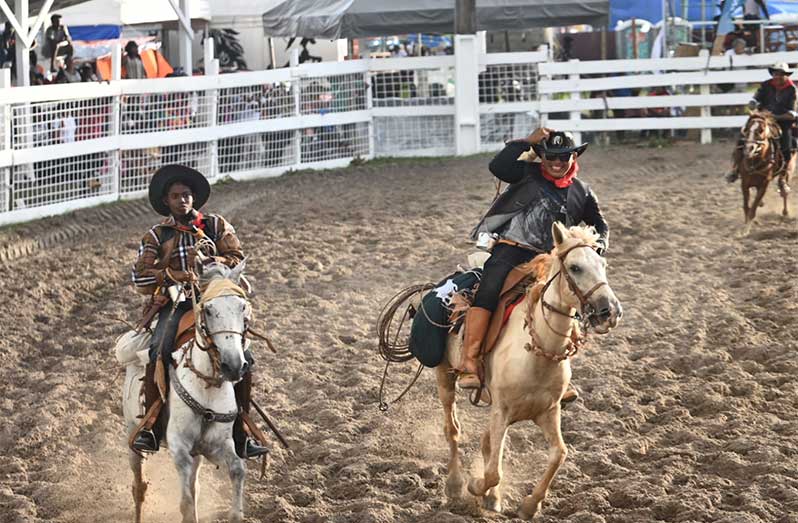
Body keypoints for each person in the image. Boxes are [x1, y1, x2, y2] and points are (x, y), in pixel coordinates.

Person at [129, 164, 268, 459]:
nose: (182, 200)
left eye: (186, 195)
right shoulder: (157, 235)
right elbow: (140, 276)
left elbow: (237, 257)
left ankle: (241, 430)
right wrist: (174, 274)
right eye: (175, 196)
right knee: (158, 348)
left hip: (215, 301)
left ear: (194, 198)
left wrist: (208, 260)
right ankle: (151, 426)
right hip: (178, 304)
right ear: (166, 201)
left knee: (244, 356)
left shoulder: (215, 225)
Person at [454, 129, 609, 389]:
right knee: (489, 289)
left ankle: (559, 366)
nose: (557, 162)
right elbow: (498, 167)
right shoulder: (526, 173)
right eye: (551, 156)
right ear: (542, 156)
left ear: (574, 157)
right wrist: (527, 142)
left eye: (564, 156)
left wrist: (599, 245)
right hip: (512, 249)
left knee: (568, 298)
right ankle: (470, 360)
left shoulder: (582, 192)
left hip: (550, 257)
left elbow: (600, 225)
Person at [726, 62, 796, 183]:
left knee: (786, 145)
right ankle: (735, 169)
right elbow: (756, 98)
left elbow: (792, 114)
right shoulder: (766, 85)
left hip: (782, 122)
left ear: (786, 75)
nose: (777, 76)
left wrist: (774, 116)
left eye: (781, 74)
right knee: (743, 138)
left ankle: (783, 177)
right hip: (763, 118)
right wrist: (753, 102)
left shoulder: (792, 90)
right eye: (775, 74)